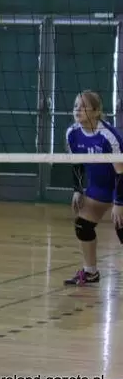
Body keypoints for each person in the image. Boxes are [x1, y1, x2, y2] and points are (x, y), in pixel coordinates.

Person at [64, 90, 123, 286]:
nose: (78, 110)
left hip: (120, 185)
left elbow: (121, 173)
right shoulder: (72, 133)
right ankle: (90, 272)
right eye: (76, 106)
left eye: (84, 107)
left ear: (97, 112)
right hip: (99, 188)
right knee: (83, 226)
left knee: (121, 227)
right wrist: (77, 190)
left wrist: (119, 203)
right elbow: (77, 164)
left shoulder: (108, 136)